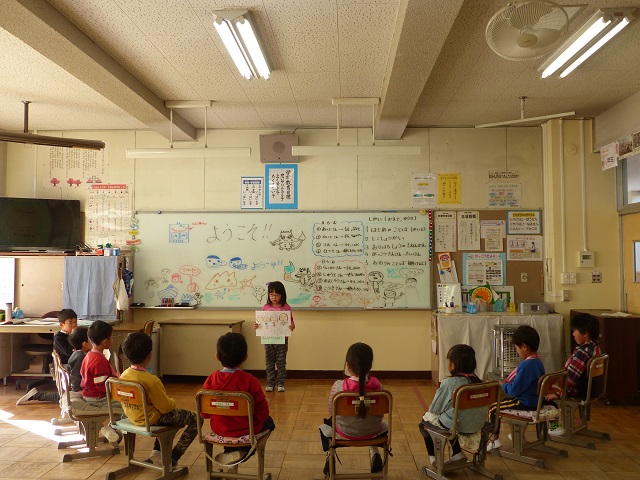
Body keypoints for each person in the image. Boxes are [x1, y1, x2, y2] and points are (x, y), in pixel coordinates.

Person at [120, 332, 198, 468]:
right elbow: (166, 407)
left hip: (132, 416)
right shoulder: (151, 380)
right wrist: (172, 401)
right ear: (149, 355)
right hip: (151, 419)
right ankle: (173, 457)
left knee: (165, 414)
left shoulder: (123, 375)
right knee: (195, 419)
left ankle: (157, 451)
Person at [202, 332, 275, 467]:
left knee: (229, 423)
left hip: (220, 429)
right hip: (246, 430)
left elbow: (204, 414)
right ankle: (243, 452)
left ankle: (230, 455)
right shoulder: (250, 381)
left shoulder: (211, 379)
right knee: (269, 422)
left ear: (217, 356)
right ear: (245, 357)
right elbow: (263, 413)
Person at [319, 342, 386, 475]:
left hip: (345, 431)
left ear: (348, 365)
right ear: (370, 366)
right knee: (377, 423)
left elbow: (331, 410)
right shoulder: (379, 387)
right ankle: (375, 454)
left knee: (326, 425)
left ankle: (330, 456)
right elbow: (381, 412)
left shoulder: (338, 387)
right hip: (372, 431)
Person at [418, 344, 486, 465]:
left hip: (457, 426)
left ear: (453, 365)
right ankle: (457, 453)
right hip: (478, 424)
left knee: (425, 420)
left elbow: (435, 409)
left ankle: (434, 458)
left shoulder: (450, 384)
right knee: (453, 418)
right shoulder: (480, 383)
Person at [487, 325, 545, 451]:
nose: (516, 350)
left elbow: (513, 391)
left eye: (516, 347)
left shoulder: (526, 365)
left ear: (524, 347)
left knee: (493, 408)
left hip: (525, 402)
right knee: (505, 403)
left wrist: (504, 384)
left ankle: (494, 440)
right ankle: (517, 436)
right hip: (536, 400)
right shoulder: (538, 361)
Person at [545, 312, 602, 435]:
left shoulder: (582, 353)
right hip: (591, 390)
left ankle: (554, 428)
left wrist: (557, 392)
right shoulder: (596, 348)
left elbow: (570, 381)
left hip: (577, 391)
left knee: (547, 397)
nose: (573, 334)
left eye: (575, 330)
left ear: (585, 333)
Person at [15, 309, 78, 405]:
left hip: (69, 366)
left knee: (70, 397)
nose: (74, 325)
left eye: (75, 322)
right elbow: (70, 352)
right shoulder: (59, 338)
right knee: (65, 398)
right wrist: (74, 337)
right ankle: (36, 395)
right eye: (70, 323)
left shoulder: (72, 335)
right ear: (62, 325)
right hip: (60, 368)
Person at [79, 320, 122, 442]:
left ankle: (112, 429)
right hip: (97, 398)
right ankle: (112, 428)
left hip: (90, 394)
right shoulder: (99, 361)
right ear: (105, 342)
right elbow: (101, 387)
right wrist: (118, 389)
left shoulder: (89, 355)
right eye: (111, 337)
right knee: (128, 405)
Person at [253, 281, 295, 392]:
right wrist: (256, 325)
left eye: (276, 295)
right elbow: (261, 322)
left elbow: (291, 322)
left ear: (282, 295)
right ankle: (270, 383)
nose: (273, 297)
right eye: (271, 295)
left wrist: (292, 326)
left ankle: (281, 383)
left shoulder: (286, 307)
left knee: (281, 362)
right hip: (268, 340)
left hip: (282, 340)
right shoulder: (266, 307)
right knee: (269, 362)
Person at [67, 326, 90, 392]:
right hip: (78, 389)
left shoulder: (78, 353)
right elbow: (75, 375)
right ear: (85, 344)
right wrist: (77, 390)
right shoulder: (80, 356)